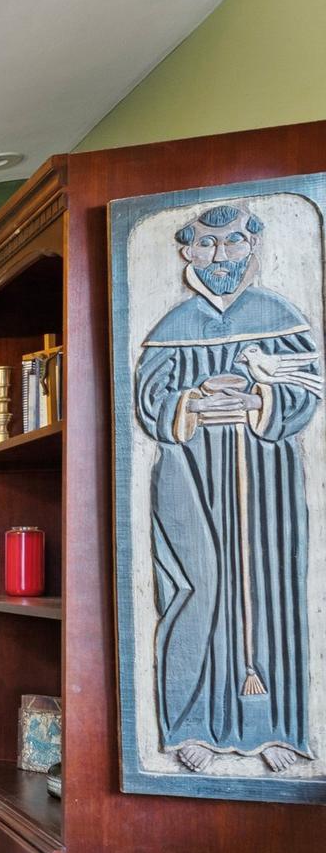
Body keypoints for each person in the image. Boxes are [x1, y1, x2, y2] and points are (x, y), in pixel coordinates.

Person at [133, 203, 321, 773]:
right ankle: (192, 723)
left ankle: (277, 728)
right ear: (188, 251)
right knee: (196, 584)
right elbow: (150, 400)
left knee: (271, 584)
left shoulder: (278, 315)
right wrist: (194, 400)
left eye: (234, 242)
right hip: (189, 471)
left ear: (253, 246)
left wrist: (260, 400)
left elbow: (307, 389)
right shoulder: (173, 326)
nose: (221, 256)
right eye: (208, 245)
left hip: (265, 474)